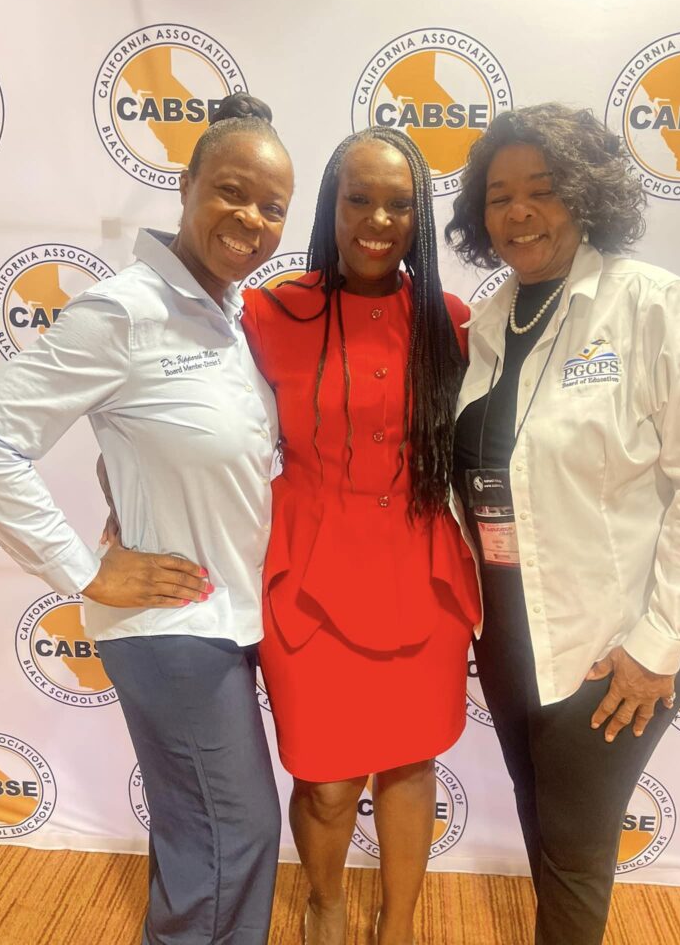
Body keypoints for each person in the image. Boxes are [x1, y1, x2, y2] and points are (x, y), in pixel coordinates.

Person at [0, 94, 295, 945]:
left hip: (234, 613)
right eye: (231, 190)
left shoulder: (234, 316)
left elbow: (189, 447)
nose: (251, 217)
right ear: (186, 186)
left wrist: (124, 478)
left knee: (204, 838)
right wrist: (83, 568)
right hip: (172, 623)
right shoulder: (126, 311)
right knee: (231, 834)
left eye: (273, 206)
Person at [445, 102, 680, 945]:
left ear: (587, 195)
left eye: (543, 190)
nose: (518, 212)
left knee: (573, 863)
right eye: (499, 196)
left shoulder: (652, 307)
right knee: (545, 829)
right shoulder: (490, 324)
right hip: (508, 640)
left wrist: (658, 646)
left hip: (610, 651)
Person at [241, 127, 481, 945]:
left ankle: (401, 923)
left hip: (422, 577)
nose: (378, 219)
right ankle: (327, 903)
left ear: (420, 216)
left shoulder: (449, 320)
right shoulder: (270, 313)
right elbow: (196, 423)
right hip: (306, 582)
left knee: (411, 767)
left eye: (399, 203)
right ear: (329, 206)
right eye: (359, 199)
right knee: (328, 781)